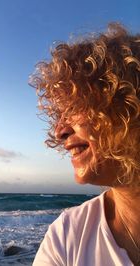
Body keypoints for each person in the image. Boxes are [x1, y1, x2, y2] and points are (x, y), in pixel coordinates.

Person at [30, 23, 140, 266]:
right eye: (58, 115)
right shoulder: (67, 237)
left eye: (73, 108)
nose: (59, 132)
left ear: (128, 105)